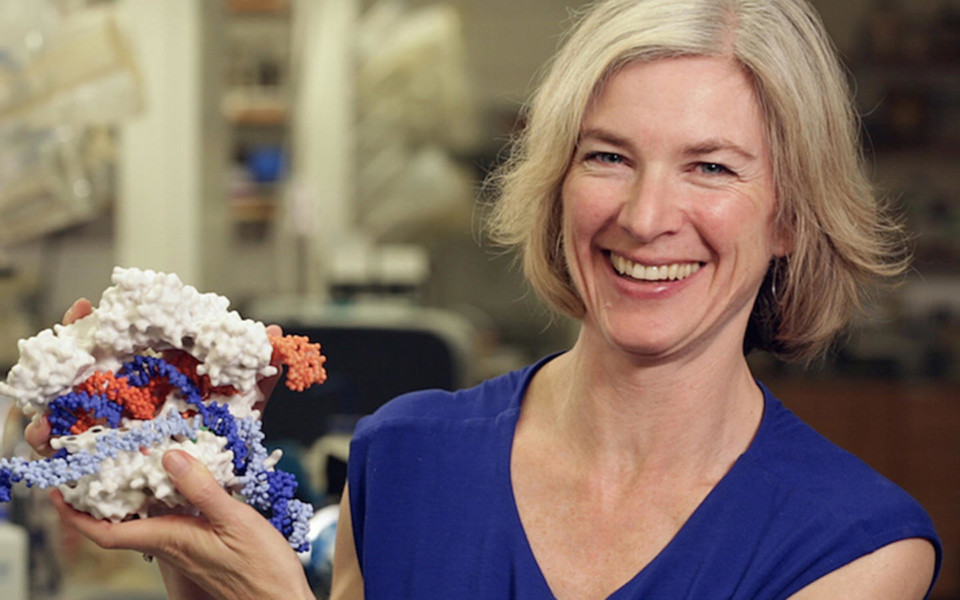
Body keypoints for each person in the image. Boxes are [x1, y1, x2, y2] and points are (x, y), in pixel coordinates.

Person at [27, 0, 940, 598]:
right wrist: (197, 522)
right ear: (556, 183)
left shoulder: (855, 549)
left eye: (711, 167)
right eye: (608, 156)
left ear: (790, 216)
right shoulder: (404, 459)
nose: (645, 215)